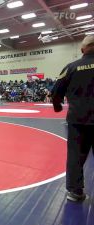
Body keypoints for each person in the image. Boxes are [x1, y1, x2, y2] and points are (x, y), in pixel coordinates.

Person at [51, 35, 94, 202]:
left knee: (76, 155)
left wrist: (57, 106)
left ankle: (75, 192)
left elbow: (56, 92)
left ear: (82, 50)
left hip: (78, 120)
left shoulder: (71, 67)